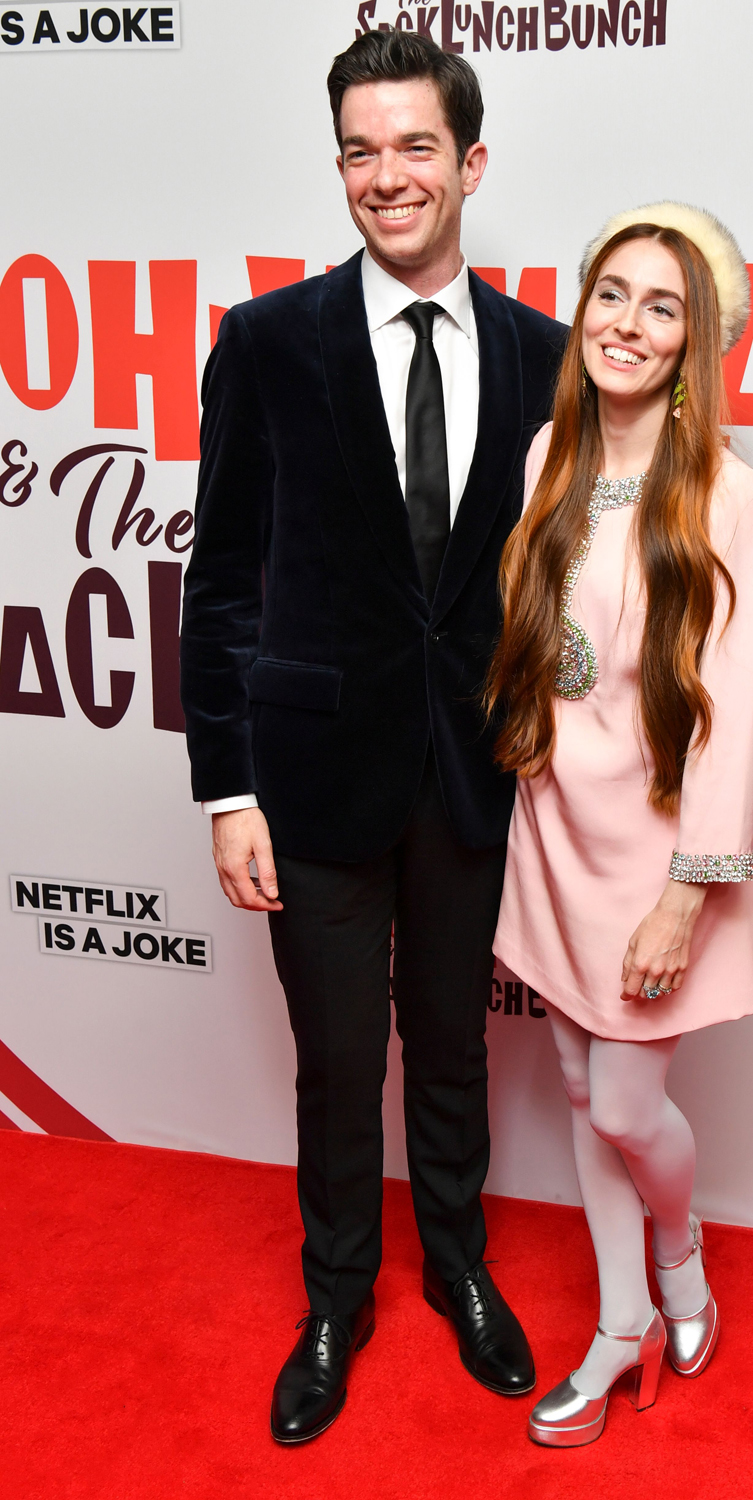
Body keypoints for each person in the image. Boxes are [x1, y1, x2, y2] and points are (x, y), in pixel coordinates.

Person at [180, 31, 565, 1445]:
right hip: (312, 772)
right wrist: (227, 786)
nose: (385, 177)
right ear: (337, 164)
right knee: (340, 1056)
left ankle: (459, 1268)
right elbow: (220, 584)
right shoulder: (268, 342)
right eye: (360, 149)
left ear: (471, 162)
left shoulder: (546, 356)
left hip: (470, 772)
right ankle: (337, 1297)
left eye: (415, 148)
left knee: (452, 1046)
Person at [487, 202, 753, 1447]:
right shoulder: (547, 451)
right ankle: (619, 1326)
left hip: (657, 863)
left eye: (664, 307)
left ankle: (680, 1256)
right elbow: (541, 650)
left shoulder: (727, 492)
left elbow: (724, 707)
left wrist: (686, 895)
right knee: (572, 1086)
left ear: (694, 343)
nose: (628, 322)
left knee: (620, 1108)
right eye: (613, 292)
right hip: (553, 838)